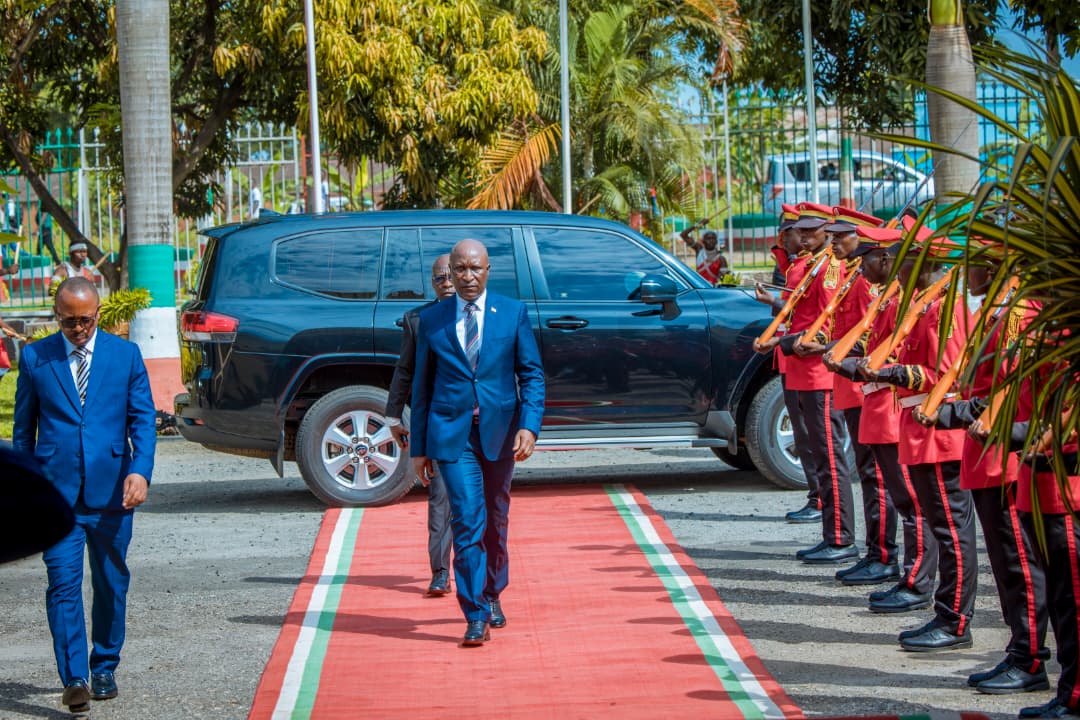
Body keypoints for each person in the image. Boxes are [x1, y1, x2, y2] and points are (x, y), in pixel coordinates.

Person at [12, 276, 156, 712]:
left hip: (113, 492)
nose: (78, 329)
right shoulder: (36, 357)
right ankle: (74, 677)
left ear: (98, 313)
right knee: (62, 584)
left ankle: (104, 665)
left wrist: (140, 471)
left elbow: (142, 421)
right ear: (57, 316)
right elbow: (24, 430)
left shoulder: (125, 355)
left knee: (111, 582)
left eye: (86, 321)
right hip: (56, 497)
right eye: (69, 321)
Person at [915, 256, 1049, 693]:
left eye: (972, 265)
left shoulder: (1017, 317)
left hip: (1004, 455)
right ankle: (1020, 650)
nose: (964, 273)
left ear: (991, 270)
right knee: (1007, 566)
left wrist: (954, 413)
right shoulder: (997, 313)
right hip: (987, 453)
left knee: (1018, 565)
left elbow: (1012, 390)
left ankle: (1030, 658)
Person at [409, 239, 545, 646]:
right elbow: (421, 387)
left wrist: (529, 426)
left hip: (500, 434)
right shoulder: (431, 320)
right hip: (452, 435)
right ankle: (475, 612)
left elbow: (532, 375)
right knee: (467, 520)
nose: (467, 277)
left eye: (475, 268)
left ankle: (493, 592)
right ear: (449, 273)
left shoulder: (512, 313)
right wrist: (419, 448)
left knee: (495, 519)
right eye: (460, 269)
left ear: (488, 270)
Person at [858, 242, 976, 652]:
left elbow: (946, 376)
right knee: (942, 528)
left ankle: (955, 619)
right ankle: (946, 613)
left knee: (951, 532)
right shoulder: (924, 305)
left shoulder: (946, 309)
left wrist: (891, 372)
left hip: (940, 434)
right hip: (920, 429)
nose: (894, 270)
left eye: (900, 262)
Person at [824, 227, 938, 614]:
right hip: (878, 406)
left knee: (910, 502)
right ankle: (896, 565)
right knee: (893, 493)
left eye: (869, 259)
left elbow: (903, 360)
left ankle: (916, 579)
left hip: (891, 406)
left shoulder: (907, 302)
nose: (862, 268)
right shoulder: (889, 299)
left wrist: (858, 364)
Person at [798, 206, 900, 586]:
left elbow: (868, 338)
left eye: (843, 236)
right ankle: (875, 552)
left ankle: (882, 554)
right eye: (834, 235)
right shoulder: (855, 276)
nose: (835, 241)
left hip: (862, 387)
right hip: (850, 385)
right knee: (869, 474)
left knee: (876, 477)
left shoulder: (867, 284)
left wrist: (825, 347)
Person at [763, 202, 856, 565]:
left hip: (817, 369)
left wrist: (787, 341)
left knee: (830, 457)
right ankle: (832, 534)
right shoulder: (808, 264)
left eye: (811, 230)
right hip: (801, 367)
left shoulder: (829, 269)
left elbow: (829, 324)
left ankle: (840, 537)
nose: (803, 235)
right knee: (815, 450)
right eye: (799, 230)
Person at [385, 254, 456, 597]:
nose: (447, 282)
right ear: (432, 282)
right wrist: (392, 416)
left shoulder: (485, 315)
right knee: (440, 497)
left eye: (451, 275)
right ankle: (440, 571)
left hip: (479, 423)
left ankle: (479, 575)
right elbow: (405, 370)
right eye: (439, 277)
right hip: (441, 424)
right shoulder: (418, 320)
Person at [756, 203, 820, 524]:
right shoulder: (795, 265)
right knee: (804, 435)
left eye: (789, 233)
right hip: (791, 359)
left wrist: (773, 300)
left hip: (807, 359)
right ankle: (817, 496)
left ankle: (820, 499)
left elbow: (808, 312)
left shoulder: (814, 267)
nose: (783, 239)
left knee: (815, 437)